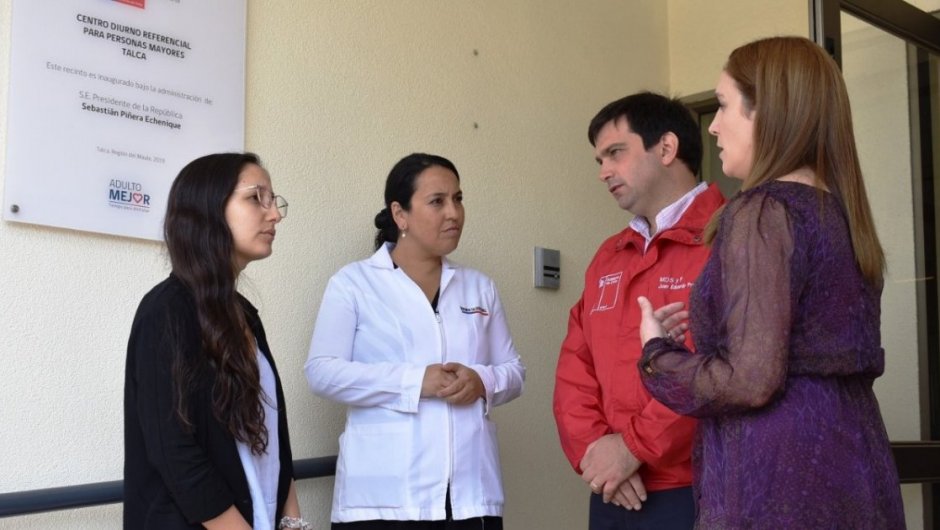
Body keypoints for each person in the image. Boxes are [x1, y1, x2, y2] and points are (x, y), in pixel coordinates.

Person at [637, 36, 906, 528]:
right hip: (858, 466)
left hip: (780, 480)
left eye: (722, 106)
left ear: (769, 111)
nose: (713, 126)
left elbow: (751, 379)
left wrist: (658, 355)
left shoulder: (763, 211)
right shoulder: (843, 217)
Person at [305, 153, 525, 529]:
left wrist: (482, 382)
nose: (454, 213)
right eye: (437, 201)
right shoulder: (355, 284)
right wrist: (414, 381)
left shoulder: (479, 286)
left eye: (458, 199)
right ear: (400, 214)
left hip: (469, 498)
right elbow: (322, 372)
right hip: (383, 501)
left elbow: (514, 372)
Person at [553, 92, 725, 529]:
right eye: (599, 161)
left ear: (666, 148)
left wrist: (631, 449)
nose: (604, 172)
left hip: (703, 486)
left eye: (615, 153)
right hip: (614, 488)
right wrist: (596, 454)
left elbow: (721, 368)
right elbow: (575, 367)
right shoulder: (608, 256)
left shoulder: (729, 239)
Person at [124, 153, 310, 530]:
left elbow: (276, 438)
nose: (274, 214)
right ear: (207, 209)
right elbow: (174, 452)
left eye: (274, 201)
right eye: (256, 198)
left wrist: (292, 524)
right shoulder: (166, 311)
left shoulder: (244, 314)